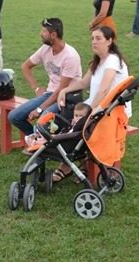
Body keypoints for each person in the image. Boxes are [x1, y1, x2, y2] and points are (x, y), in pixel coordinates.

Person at [54, 26, 131, 184]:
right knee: (68, 117)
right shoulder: (98, 60)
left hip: (111, 110)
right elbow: (83, 82)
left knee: (77, 125)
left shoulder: (113, 60)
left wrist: (90, 112)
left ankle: (69, 165)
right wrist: (64, 90)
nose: (94, 42)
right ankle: (78, 162)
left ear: (109, 41)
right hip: (98, 107)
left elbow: (104, 89)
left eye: (98, 38)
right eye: (92, 38)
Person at [8, 17, 82, 139]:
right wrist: (36, 88)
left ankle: (41, 147)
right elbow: (25, 66)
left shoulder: (70, 56)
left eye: (43, 31)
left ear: (53, 35)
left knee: (41, 123)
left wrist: (39, 109)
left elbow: (61, 90)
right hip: (50, 94)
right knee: (14, 116)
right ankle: (38, 142)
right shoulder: (46, 49)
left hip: (66, 97)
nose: (40, 34)